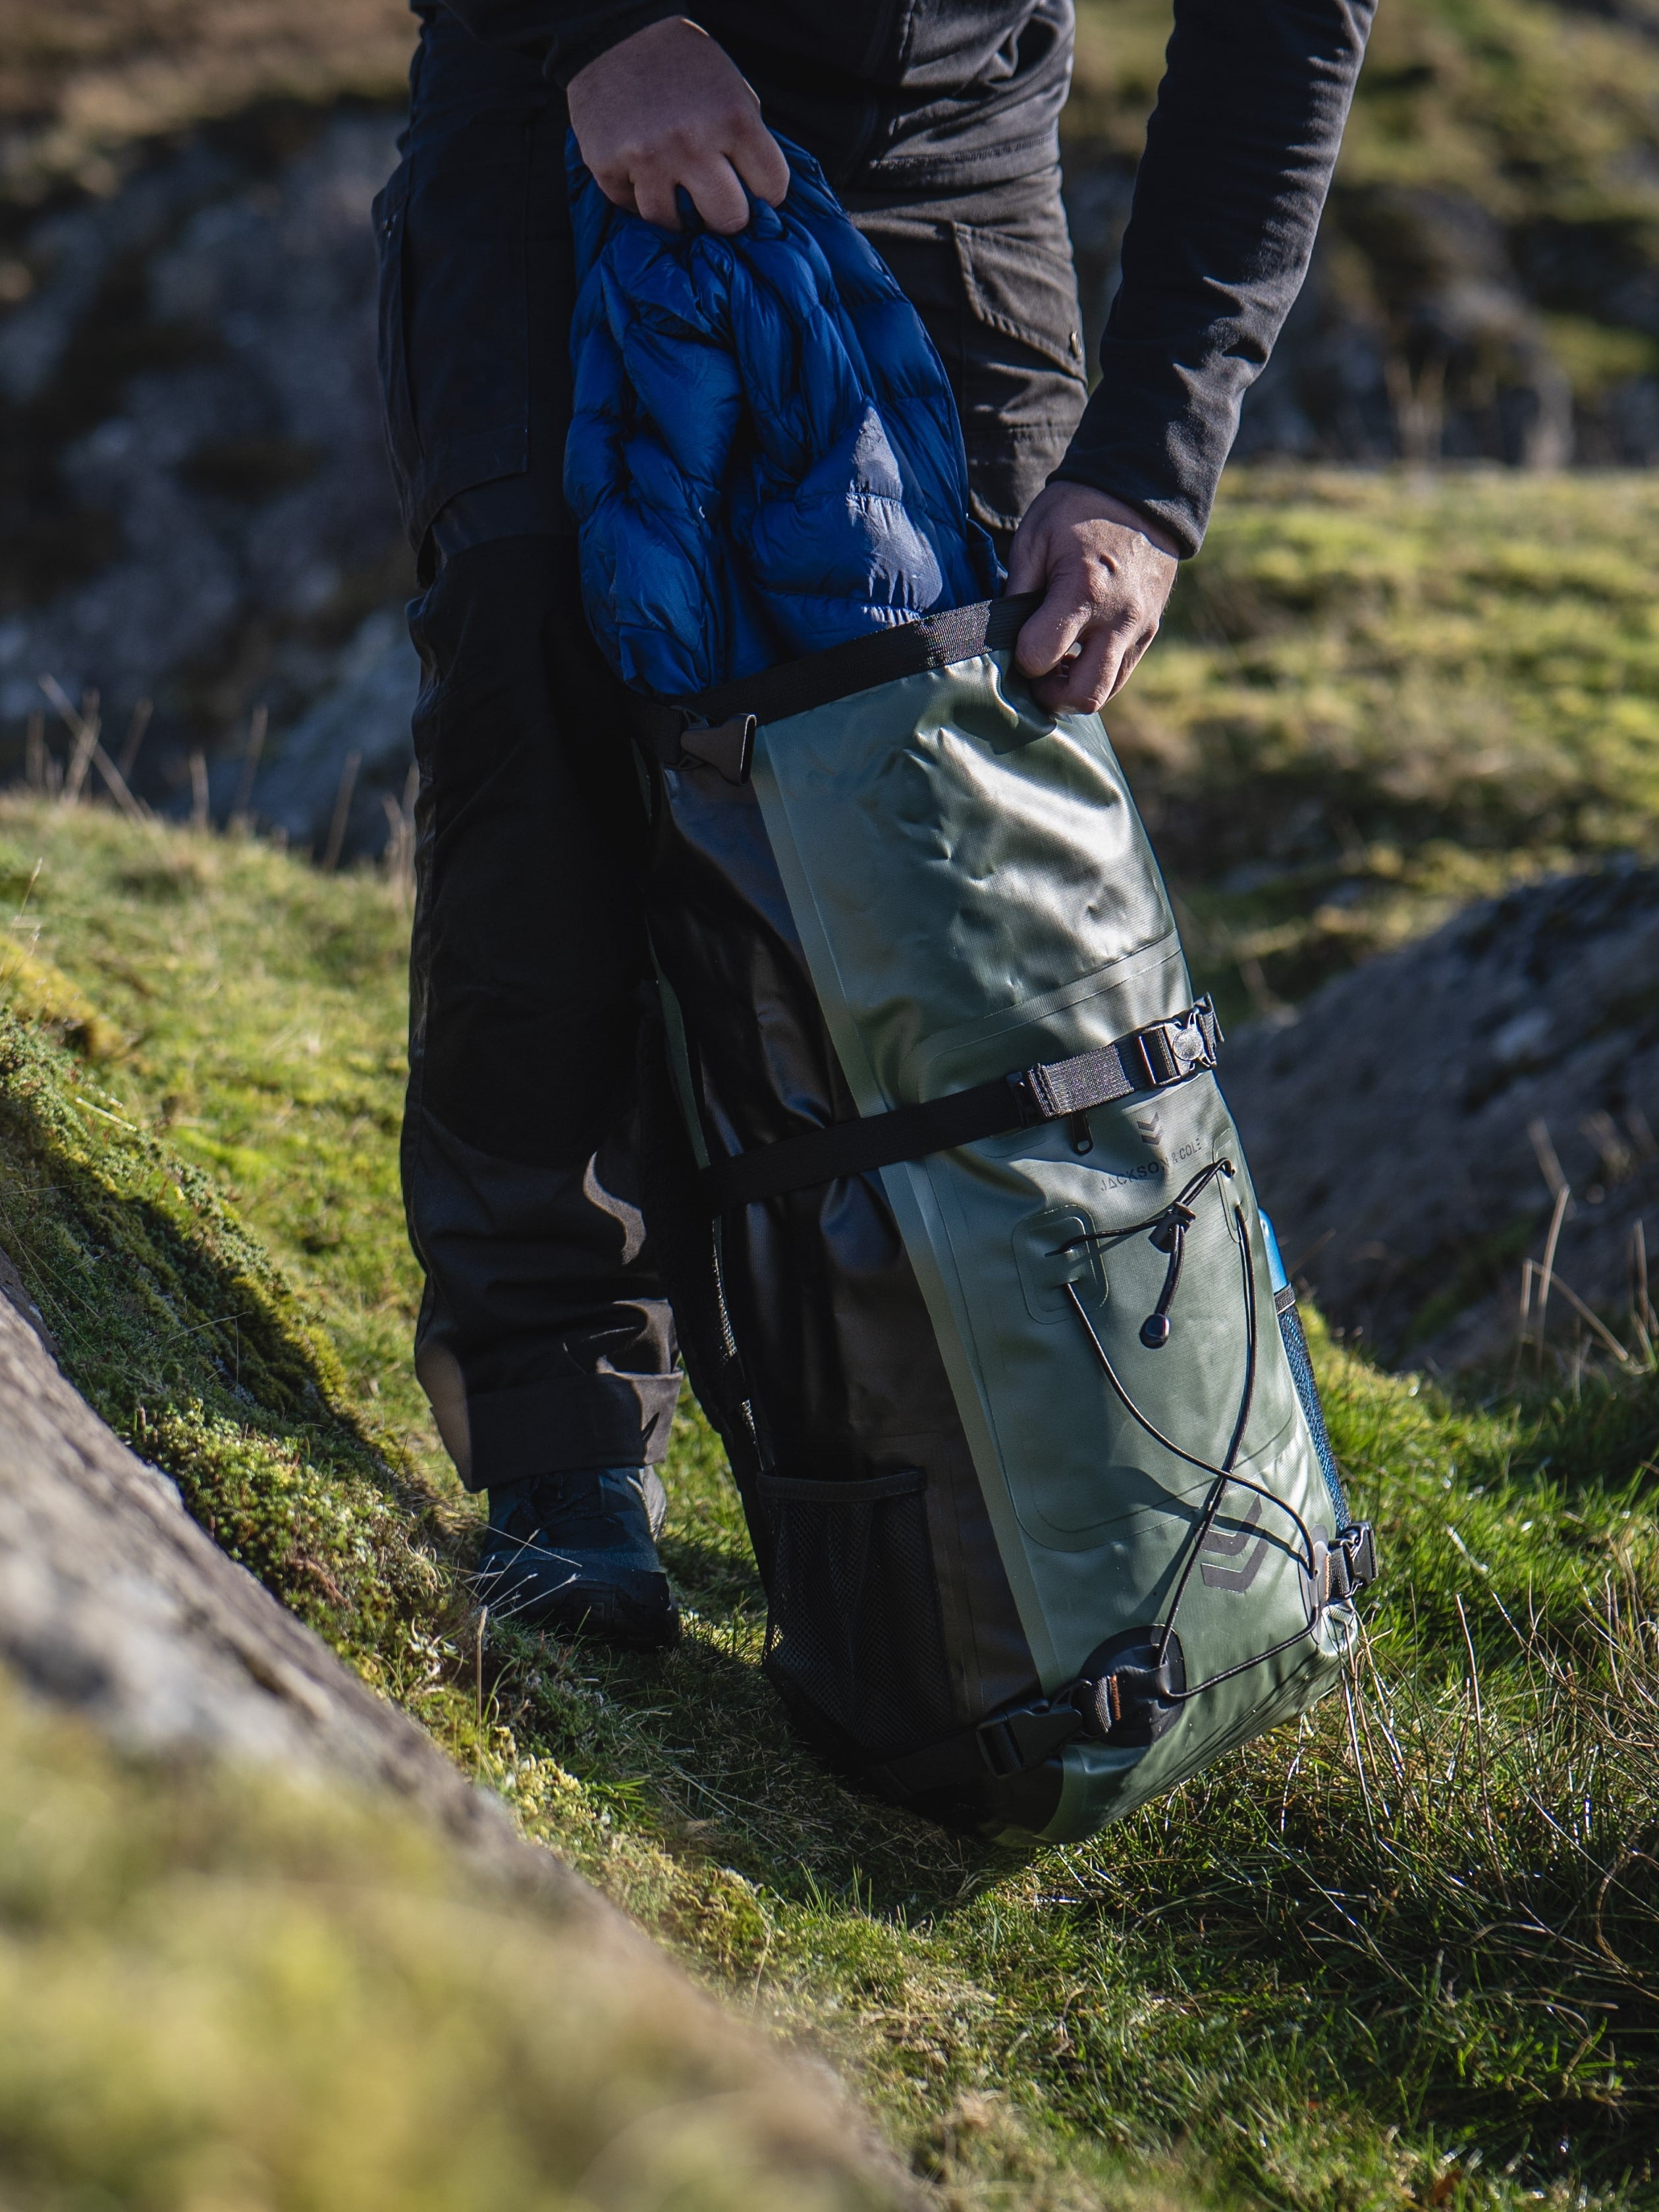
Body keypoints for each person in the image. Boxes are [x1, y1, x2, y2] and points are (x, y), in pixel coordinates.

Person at [375, 0, 1375, 1650]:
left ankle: (976, 1529)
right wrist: (605, 34)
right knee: (536, 733)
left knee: (953, 839)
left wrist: (1146, 470)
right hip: (562, 88)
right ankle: (563, 1454)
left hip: (937, 156)